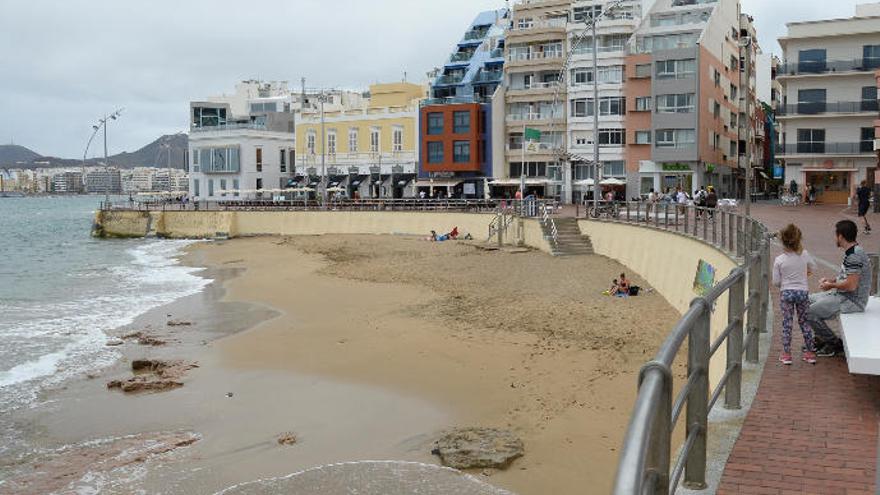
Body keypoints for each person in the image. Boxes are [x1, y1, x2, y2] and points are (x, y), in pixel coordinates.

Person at [806, 220, 874, 357]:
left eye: (835, 235)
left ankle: (834, 344)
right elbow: (848, 278)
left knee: (808, 312)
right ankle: (821, 338)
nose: (835, 238)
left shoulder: (854, 256)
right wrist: (831, 281)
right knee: (805, 301)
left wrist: (830, 285)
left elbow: (851, 285)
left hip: (852, 301)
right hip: (842, 295)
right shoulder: (853, 251)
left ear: (841, 236)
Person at [772, 224, 818, 365]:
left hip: (786, 292)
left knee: (787, 323)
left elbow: (776, 281)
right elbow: (813, 267)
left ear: (783, 241)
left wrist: (785, 284)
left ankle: (786, 354)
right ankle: (810, 353)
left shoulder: (779, 260)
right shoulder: (804, 254)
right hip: (802, 292)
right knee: (804, 322)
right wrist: (804, 275)